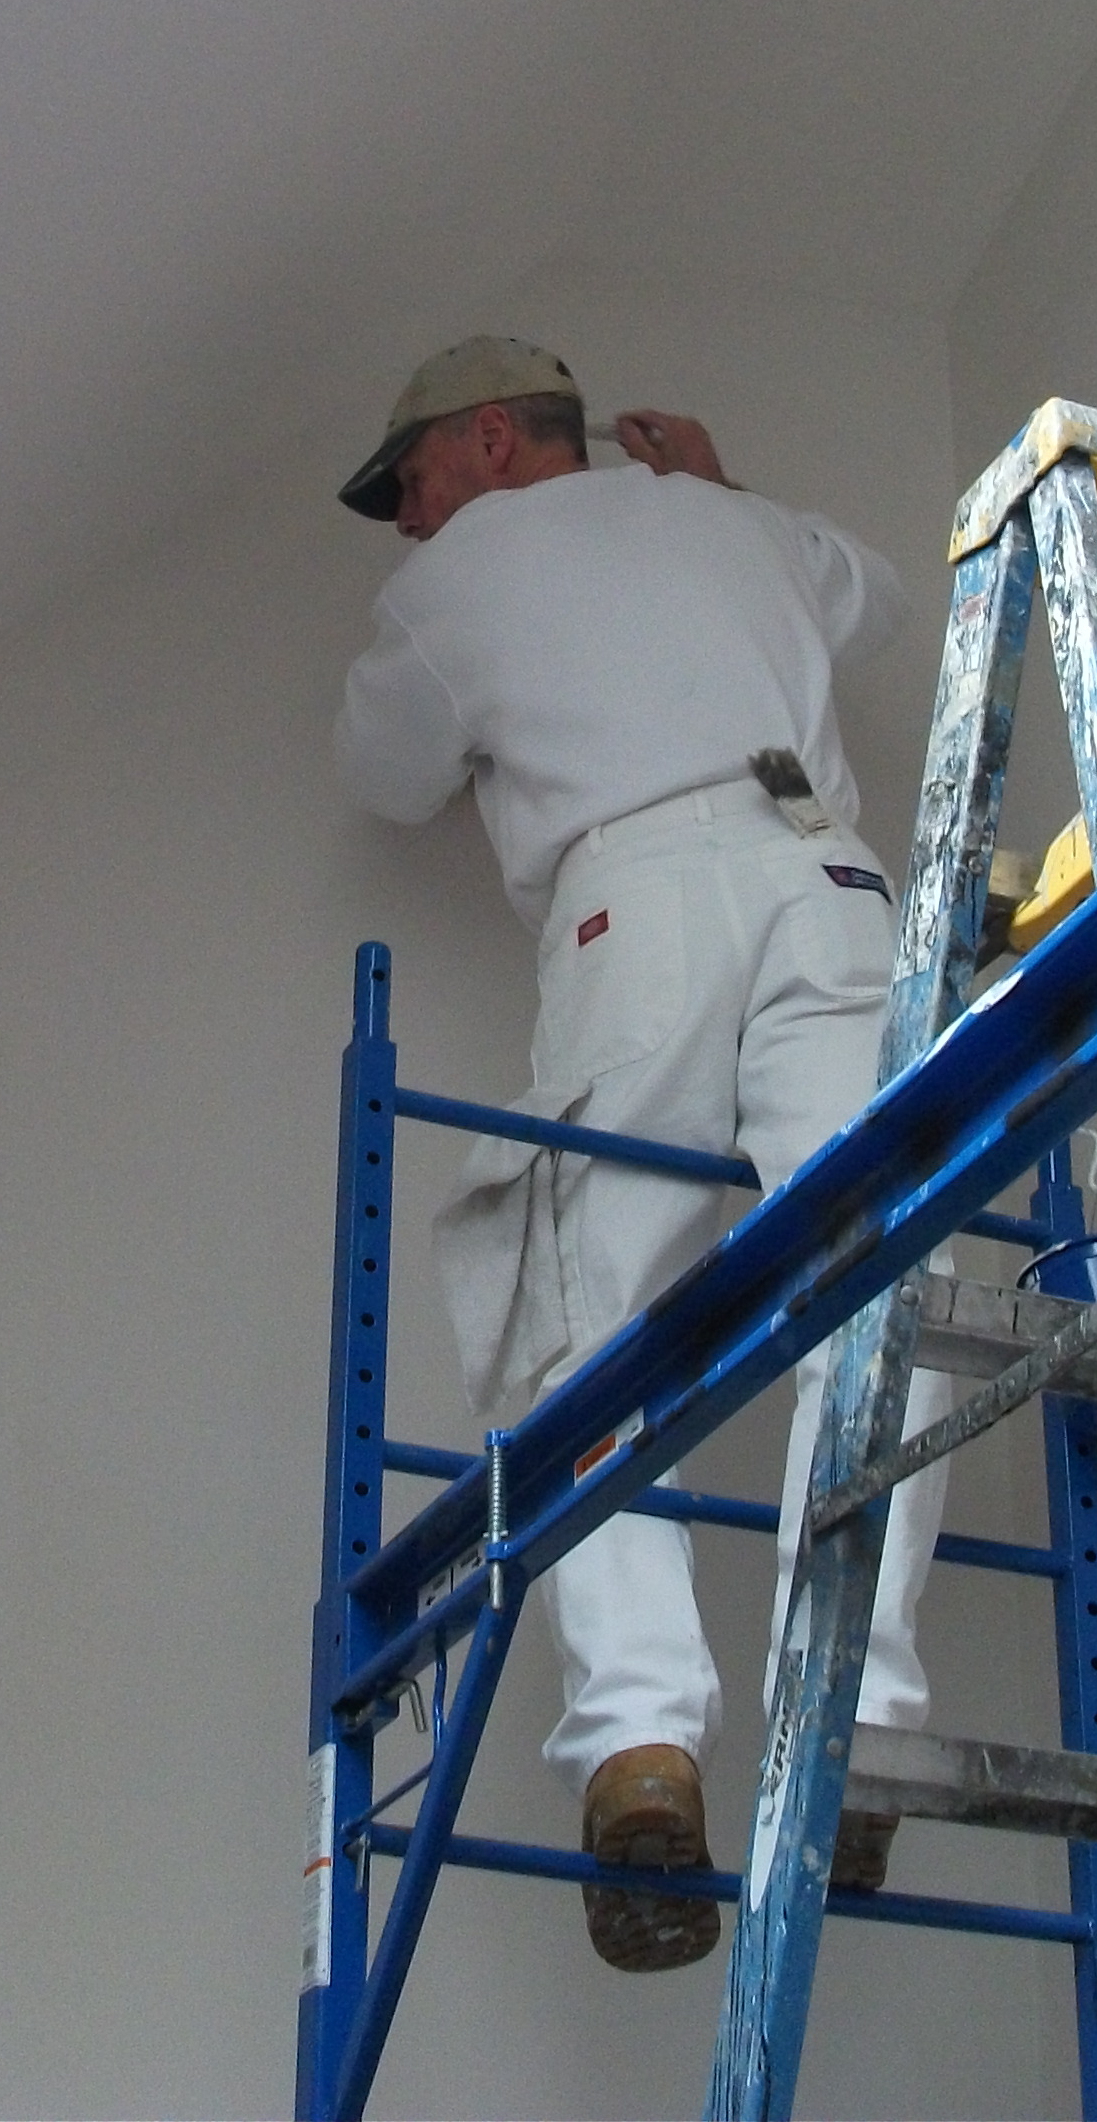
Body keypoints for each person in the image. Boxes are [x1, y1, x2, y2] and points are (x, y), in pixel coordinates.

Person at [333, 334, 957, 1973]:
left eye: (412, 481)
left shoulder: (459, 573)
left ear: (489, 440)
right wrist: (722, 495)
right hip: (837, 892)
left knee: (593, 1317)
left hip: (643, 910)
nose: (409, 518)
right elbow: (879, 596)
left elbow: (379, 772)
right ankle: (861, 1717)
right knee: (885, 1286)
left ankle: (640, 1751)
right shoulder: (739, 523)